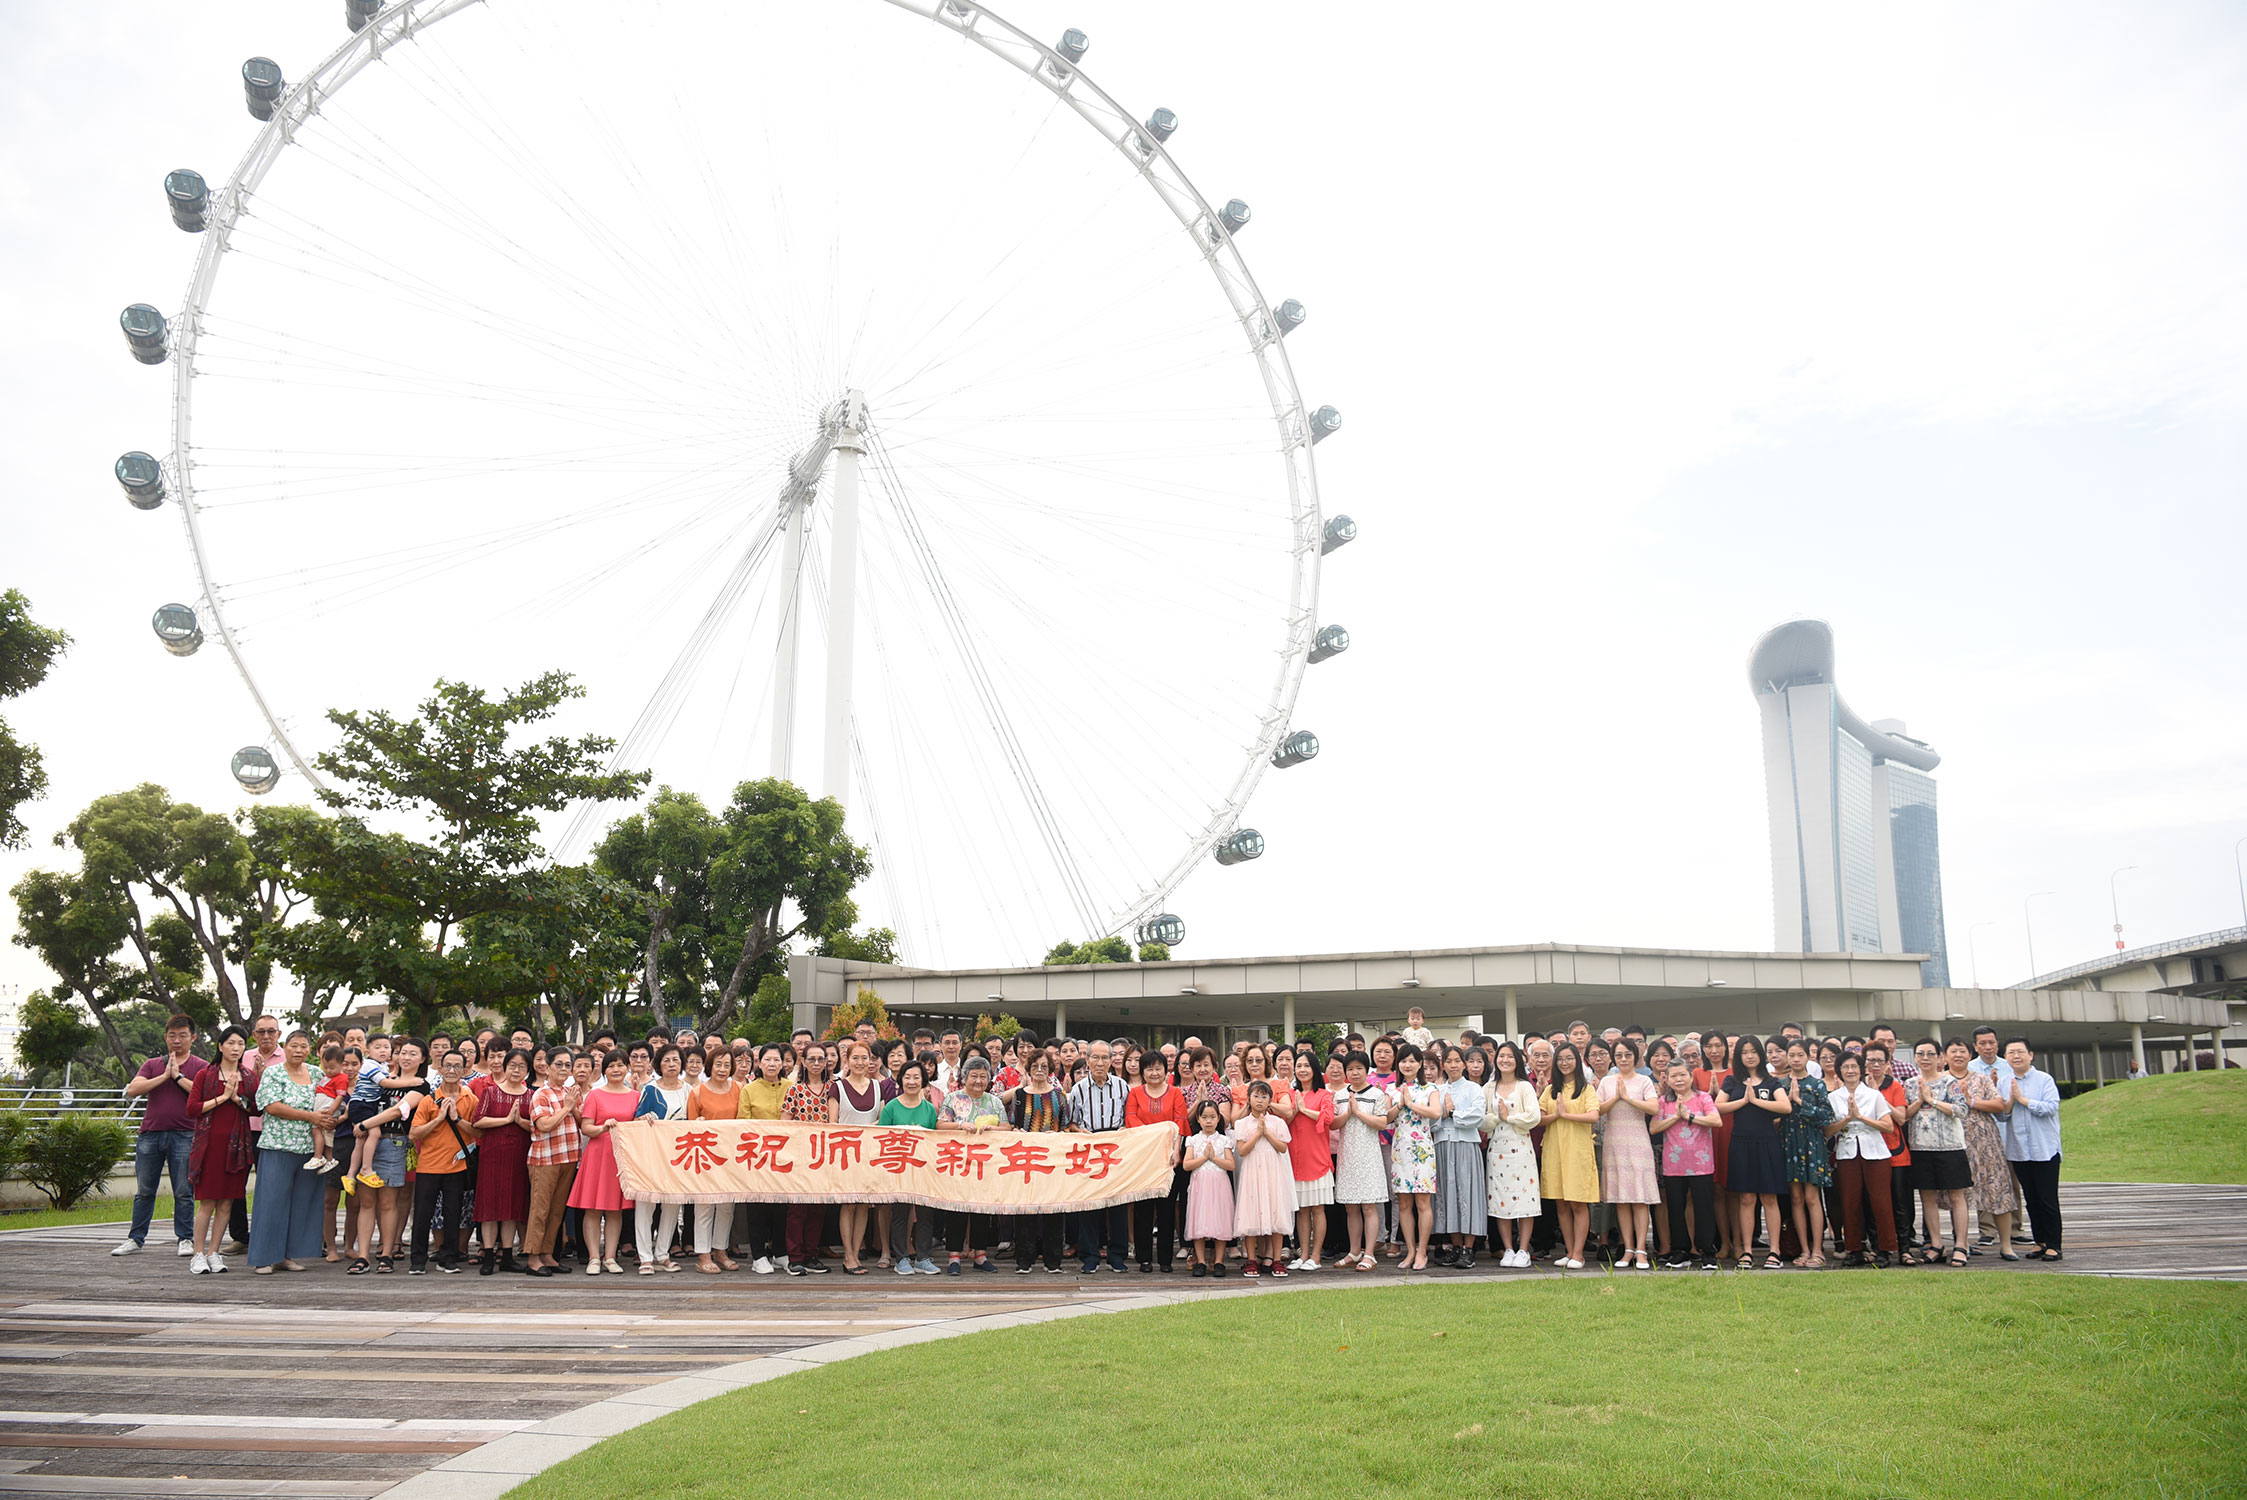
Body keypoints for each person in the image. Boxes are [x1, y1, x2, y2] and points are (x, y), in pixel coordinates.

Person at [115, 1013, 208, 1259]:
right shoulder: (152, 1064)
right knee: (145, 1190)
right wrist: (165, 1076)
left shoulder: (200, 1066)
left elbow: (204, 1094)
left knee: (183, 1191)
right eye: (172, 1036)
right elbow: (133, 1089)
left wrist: (177, 1077)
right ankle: (135, 1238)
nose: (177, 1040)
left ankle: (185, 1238)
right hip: (150, 1134)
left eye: (183, 1035)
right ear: (165, 1037)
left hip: (185, 1134)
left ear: (193, 1038)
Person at [245, 1028, 333, 1275]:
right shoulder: (273, 1073)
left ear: (310, 1050)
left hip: (310, 1149)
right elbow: (272, 1107)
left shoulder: (316, 1073)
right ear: (285, 1047)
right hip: (278, 1144)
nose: (298, 1050)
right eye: (294, 1045)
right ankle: (263, 1258)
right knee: (271, 1201)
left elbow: (329, 1099)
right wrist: (311, 1116)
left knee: (302, 1202)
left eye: (304, 1046)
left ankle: (285, 1256)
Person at [346, 1039, 425, 1275]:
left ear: (423, 1059)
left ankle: (387, 1254)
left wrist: (365, 1124)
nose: (406, 1057)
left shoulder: (420, 1085)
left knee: (388, 1203)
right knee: (366, 1202)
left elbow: (396, 1111)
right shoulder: (382, 1077)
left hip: (393, 1142)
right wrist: (363, 1125)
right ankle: (363, 1256)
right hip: (368, 1143)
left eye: (413, 1054)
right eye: (403, 1052)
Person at [1717, 1035, 1792, 1270]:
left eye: (1753, 1051)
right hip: (1741, 1143)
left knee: (1769, 1197)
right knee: (1746, 1198)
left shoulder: (1771, 1081)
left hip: (1767, 1143)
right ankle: (1747, 1251)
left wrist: (1756, 1101)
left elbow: (1785, 1107)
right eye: (1744, 1052)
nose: (1749, 1056)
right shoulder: (1732, 1081)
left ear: (1760, 1054)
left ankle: (1774, 1251)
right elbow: (1718, 1106)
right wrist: (1743, 1101)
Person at [186, 1025, 254, 1274]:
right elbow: (192, 1108)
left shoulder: (248, 1077)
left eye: (241, 1044)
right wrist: (223, 1098)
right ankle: (198, 1253)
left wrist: (236, 1098)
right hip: (209, 1145)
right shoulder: (206, 1075)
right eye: (231, 1043)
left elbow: (256, 1108)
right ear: (220, 1046)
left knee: (226, 1203)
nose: (236, 1048)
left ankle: (214, 1252)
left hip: (236, 1147)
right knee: (207, 1203)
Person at [407, 1049, 480, 1275]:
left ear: (464, 1070)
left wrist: (456, 1119)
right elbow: (414, 1134)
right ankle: (417, 1260)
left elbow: (478, 1132)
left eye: (457, 1066)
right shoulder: (429, 1100)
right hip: (429, 1165)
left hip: (456, 1166)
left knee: (452, 1213)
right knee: (423, 1214)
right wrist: (439, 1119)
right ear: (439, 1068)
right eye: (447, 1065)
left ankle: (449, 1258)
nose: (451, 1070)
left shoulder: (470, 1099)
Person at [568, 1048, 640, 1275]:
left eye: (621, 1065)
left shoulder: (635, 1096)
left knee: (615, 1210)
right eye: (611, 1066)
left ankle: (610, 1257)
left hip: (621, 1157)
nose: (616, 1070)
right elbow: (586, 1127)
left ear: (627, 1068)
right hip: (598, 1155)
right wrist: (603, 1127)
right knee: (592, 1209)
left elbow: (637, 1126)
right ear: (604, 1070)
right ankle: (593, 1258)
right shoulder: (595, 1095)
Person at [933, 1054, 1006, 1274]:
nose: (978, 1081)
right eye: (974, 1076)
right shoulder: (953, 1098)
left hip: (985, 1165)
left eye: (983, 1076)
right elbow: (940, 1125)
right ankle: (954, 1257)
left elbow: (1007, 1126)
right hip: (958, 1163)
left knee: (982, 1208)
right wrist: (960, 1125)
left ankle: (980, 1255)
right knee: (957, 1208)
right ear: (965, 1077)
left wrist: (994, 1129)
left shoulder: (994, 1101)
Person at [1905, 1039, 1975, 1267]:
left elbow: (1961, 1110)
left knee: (1957, 1197)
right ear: (1915, 1057)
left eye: (1930, 1054)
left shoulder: (1949, 1082)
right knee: (1927, 1197)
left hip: (1950, 1148)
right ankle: (1936, 1244)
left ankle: (1961, 1245)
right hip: (1920, 1148)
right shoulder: (1910, 1084)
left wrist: (1932, 1101)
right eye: (1920, 1054)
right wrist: (1920, 1100)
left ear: (1939, 1057)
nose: (1925, 1058)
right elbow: (1904, 1115)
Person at [1824, 1051, 1897, 1268]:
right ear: (1839, 1071)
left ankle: (1884, 1249)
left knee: (1881, 1202)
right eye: (1845, 1067)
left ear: (1861, 1069)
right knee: (1850, 1201)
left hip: (1875, 1152)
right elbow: (1828, 1131)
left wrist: (1861, 1117)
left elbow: (1888, 1126)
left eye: (1854, 1067)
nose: (1850, 1071)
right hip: (1847, 1152)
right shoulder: (1833, 1098)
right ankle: (1854, 1249)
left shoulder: (1874, 1095)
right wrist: (1848, 1118)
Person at [1065, 1040, 1132, 1273]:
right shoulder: (1078, 1089)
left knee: (1118, 1205)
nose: (1100, 1063)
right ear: (1088, 1060)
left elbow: (1129, 1118)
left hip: (1115, 1149)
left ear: (1112, 1061)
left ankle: (1117, 1256)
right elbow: (1071, 1123)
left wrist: (1124, 1130)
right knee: (1089, 1206)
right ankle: (1089, 1256)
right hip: (1090, 1148)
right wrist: (1079, 1131)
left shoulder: (1123, 1086)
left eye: (1105, 1058)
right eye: (1095, 1057)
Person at [1596, 1037, 1660, 1270]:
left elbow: (1654, 1108)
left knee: (1640, 1199)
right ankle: (1628, 1249)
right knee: (1621, 1199)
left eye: (1628, 1055)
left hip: (1638, 1143)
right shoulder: (1607, 1081)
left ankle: (1641, 1250)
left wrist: (1629, 1098)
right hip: (1614, 1143)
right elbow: (1597, 1109)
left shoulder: (1644, 1081)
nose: (1623, 1059)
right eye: (1619, 1055)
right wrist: (1616, 1097)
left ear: (1635, 1056)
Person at [1005, 1049, 1071, 1275]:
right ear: (1029, 1069)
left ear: (1050, 1069)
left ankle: (1053, 1261)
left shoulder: (1059, 1095)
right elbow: (1012, 1124)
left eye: (1044, 1066)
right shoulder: (1019, 1095)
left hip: (1053, 1161)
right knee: (1025, 1210)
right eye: (1035, 1066)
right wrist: (1018, 1132)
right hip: (1026, 1160)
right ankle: (1024, 1260)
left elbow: (1066, 1127)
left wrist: (1058, 1134)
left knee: (1054, 1210)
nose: (1040, 1070)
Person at [471, 1048, 535, 1275]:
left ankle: (507, 1255)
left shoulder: (531, 1096)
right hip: (492, 1154)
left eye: (522, 1066)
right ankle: (488, 1255)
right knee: (489, 1205)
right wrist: (507, 1120)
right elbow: (477, 1121)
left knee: (512, 1206)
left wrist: (519, 1121)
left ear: (528, 1071)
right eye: (513, 1065)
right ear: (505, 1067)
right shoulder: (491, 1092)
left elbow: (536, 1127)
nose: (516, 1070)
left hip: (519, 1155)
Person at [1650, 1061, 1719, 1268]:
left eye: (1682, 1075)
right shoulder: (1664, 1101)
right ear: (1667, 1079)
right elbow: (1654, 1127)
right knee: (1675, 1208)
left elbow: (1716, 1121)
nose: (1678, 1079)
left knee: (1704, 1207)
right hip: (1674, 1164)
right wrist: (1675, 1117)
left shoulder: (1703, 1097)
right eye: (1674, 1076)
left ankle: (1707, 1251)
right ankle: (1680, 1251)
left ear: (1690, 1076)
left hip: (1701, 1163)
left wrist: (1689, 1116)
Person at [2001, 1037, 2064, 1260]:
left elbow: (2051, 1108)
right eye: (2011, 1052)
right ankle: (2041, 1241)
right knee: (2031, 1198)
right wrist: (2010, 1102)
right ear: (2005, 1057)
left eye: (2020, 1051)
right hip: (2019, 1150)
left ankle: (2055, 1245)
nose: (2016, 1056)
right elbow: (2001, 1116)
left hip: (2044, 1149)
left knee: (2047, 1198)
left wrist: (2023, 1100)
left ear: (2030, 1055)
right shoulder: (2004, 1081)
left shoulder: (2044, 1079)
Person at [1127, 1049, 1190, 1274]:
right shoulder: (1135, 1093)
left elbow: (1180, 1122)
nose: (1154, 1073)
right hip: (1144, 1158)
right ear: (1142, 1071)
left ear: (1165, 1070)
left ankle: (1165, 1259)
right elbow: (1130, 1119)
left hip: (1169, 1158)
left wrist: (1176, 1150)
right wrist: (1153, 1136)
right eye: (1149, 1069)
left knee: (1166, 1209)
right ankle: (1144, 1257)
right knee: (1143, 1209)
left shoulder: (1175, 1093)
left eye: (1158, 1068)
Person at [631, 1045, 692, 1275]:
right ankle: (645, 1257)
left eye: (675, 1060)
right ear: (658, 1064)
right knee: (645, 1204)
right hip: (651, 1154)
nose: (671, 1064)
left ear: (682, 1063)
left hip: (678, 1155)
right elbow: (635, 1120)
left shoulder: (689, 1090)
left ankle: (662, 1254)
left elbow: (693, 1119)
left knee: (671, 1204)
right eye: (666, 1060)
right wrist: (643, 1119)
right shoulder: (650, 1089)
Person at [1538, 1041, 1599, 1269]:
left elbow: (1593, 1116)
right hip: (1554, 1149)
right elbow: (1539, 1118)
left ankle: (1579, 1254)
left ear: (1578, 1061)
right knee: (1561, 1203)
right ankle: (1569, 1250)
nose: (1565, 1063)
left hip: (1577, 1150)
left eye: (1569, 1058)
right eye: (1561, 1059)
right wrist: (1556, 1115)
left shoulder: (1586, 1089)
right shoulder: (1550, 1090)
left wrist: (1565, 1115)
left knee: (1578, 1202)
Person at [1960, 1039, 2022, 1260]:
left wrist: (1971, 1102)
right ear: (1945, 1057)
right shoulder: (1942, 1081)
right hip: (1956, 1145)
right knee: (1960, 1196)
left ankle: (2006, 1244)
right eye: (1953, 1051)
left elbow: (1998, 1105)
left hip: (1986, 1143)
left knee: (1998, 1190)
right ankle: (1963, 1244)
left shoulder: (1982, 1079)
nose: (1958, 1055)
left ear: (1969, 1055)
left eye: (1962, 1051)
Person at [879, 1058, 942, 1276]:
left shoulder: (929, 1109)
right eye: (907, 1077)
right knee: (900, 1214)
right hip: (898, 1168)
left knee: (925, 1214)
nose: (912, 1082)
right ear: (900, 1080)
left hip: (923, 1169)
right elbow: (881, 1138)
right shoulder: (891, 1107)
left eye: (917, 1077)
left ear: (923, 1081)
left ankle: (923, 1258)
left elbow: (933, 1139)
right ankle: (901, 1258)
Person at [1482, 1041, 1542, 1268]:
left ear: (1517, 1060)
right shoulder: (1489, 1088)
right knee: (1501, 1201)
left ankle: (1523, 1250)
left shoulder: (1524, 1087)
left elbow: (1533, 1117)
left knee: (1526, 1200)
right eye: (1501, 1056)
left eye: (1509, 1056)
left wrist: (1509, 1117)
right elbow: (1482, 1121)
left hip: (1522, 1149)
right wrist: (1498, 1117)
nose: (1505, 1060)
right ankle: (1508, 1248)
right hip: (1497, 1149)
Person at [524, 1046, 582, 1277]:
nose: (564, 1069)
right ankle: (532, 1257)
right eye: (559, 1064)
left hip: (569, 1157)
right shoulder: (541, 1094)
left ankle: (547, 1253)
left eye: (568, 1065)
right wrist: (567, 1107)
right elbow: (544, 1125)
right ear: (547, 1067)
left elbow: (581, 1121)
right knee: (540, 1209)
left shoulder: (570, 1091)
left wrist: (574, 1107)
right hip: (545, 1159)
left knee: (557, 1210)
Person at [1428, 1044, 1487, 1270]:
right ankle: (1455, 1246)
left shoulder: (1473, 1088)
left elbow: (1477, 1116)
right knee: (1447, 1195)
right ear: (1443, 1065)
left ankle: (1468, 1249)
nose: (1453, 1065)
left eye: (1457, 1061)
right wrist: (1441, 1114)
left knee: (1467, 1194)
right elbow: (1432, 1120)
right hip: (1443, 1145)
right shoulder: (1437, 1090)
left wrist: (1452, 1113)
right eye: (1448, 1061)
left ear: (1464, 1064)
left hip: (1466, 1145)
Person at [830, 1041, 886, 1276]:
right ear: (847, 1060)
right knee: (848, 1203)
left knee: (863, 1203)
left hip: (869, 1155)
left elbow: (882, 1120)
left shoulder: (878, 1086)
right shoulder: (837, 1087)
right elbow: (832, 1124)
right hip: (845, 1153)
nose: (861, 1063)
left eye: (865, 1058)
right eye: (856, 1058)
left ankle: (855, 1252)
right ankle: (848, 1255)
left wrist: (869, 1129)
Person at [1777, 1039, 1834, 1269]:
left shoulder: (1817, 1084)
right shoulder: (1780, 1084)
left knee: (1812, 1197)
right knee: (1796, 1199)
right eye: (1792, 1055)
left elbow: (1826, 1116)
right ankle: (1804, 1249)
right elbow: (1774, 1116)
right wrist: (1786, 1103)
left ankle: (1818, 1249)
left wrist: (1800, 1102)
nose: (1796, 1059)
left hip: (1812, 1144)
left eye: (1800, 1055)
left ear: (1808, 1057)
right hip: (1788, 1143)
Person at [1332, 1052, 1390, 1272]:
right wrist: (1348, 1113)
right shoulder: (1339, 1095)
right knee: (1351, 1207)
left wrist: (1358, 1112)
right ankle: (1354, 1251)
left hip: (1369, 1156)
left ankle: (1369, 1254)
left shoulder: (1377, 1094)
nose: (1354, 1072)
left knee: (1368, 1206)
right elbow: (1332, 1124)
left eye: (1359, 1068)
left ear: (1367, 1070)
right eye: (1350, 1069)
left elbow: (1382, 1123)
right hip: (1347, 1156)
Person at [1231, 1080, 1293, 1278]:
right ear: (1248, 1099)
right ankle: (1251, 1260)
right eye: (1256, 1096)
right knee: (1251, 1214)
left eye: (1264, 1096)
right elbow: (1242, 1150)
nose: (1259, 1100)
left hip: (1273, 1171)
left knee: (1275, 1213)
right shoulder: (1241, 1123)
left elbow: (1283, 1147)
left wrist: (1267, 1133)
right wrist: (1257, 1134)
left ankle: (1276, 1259)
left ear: (1270, 1100)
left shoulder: (1278, 1122)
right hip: (1252, 1171)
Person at [1283, 1051, 1334, 1273]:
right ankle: (1303, 1254)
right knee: (1302, 1210)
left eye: (1306, 1066)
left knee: (1318, 1209)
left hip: (1318, 1159)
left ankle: (1316, 1256)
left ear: (1314, 1069)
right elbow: (1284, 1121)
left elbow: (1328, 1118)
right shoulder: (1291, 1093)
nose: (1302, 1070)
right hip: (1296, 1159)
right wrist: (1296, 1110)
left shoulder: (1324, 1094)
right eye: (1299, 1066)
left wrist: (1304, 1110)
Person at [1181, 1099, 1236, 1276]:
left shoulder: (1224, 1140)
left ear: (1218, 1118)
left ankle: (1219, 1261)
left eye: (1212, 1117)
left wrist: (1214, 1158)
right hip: (1200, 1185)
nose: (1209, 1121)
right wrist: (1204, 1158)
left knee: (1220, 1220)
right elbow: (1186, 1165)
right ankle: (1201, 1261)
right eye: (1204, 1117)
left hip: (1219, 1185)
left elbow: (1231, 1165)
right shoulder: (1193, 1140)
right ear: (1198, 1119)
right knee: (1199, 1221)